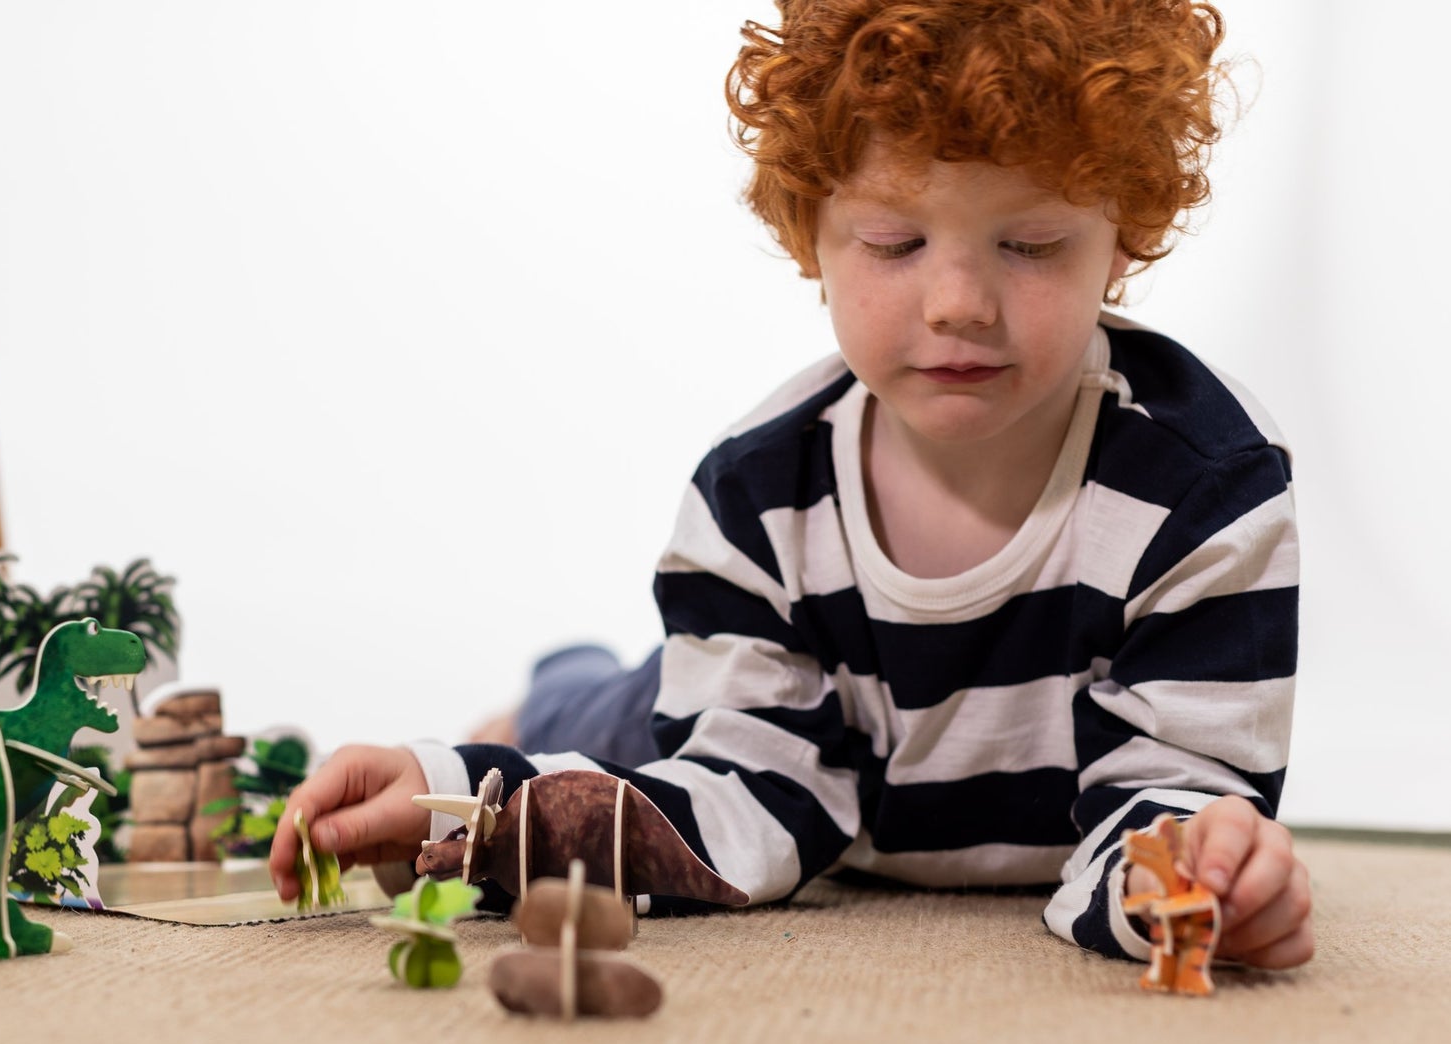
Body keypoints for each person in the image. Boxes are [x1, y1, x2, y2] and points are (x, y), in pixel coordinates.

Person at [269, 0, 1313, 970]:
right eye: (893, 242)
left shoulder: (1204, 486)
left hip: (856, 715)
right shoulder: (758, 491)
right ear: (806, 229)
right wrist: (467, 800)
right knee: (595, 710)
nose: (956, 302)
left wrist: (1193, 879)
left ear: (1121, 229)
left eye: (1029, 243)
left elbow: (1171, 791)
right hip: (738, 706)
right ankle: (551, 683)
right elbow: (741, 800)